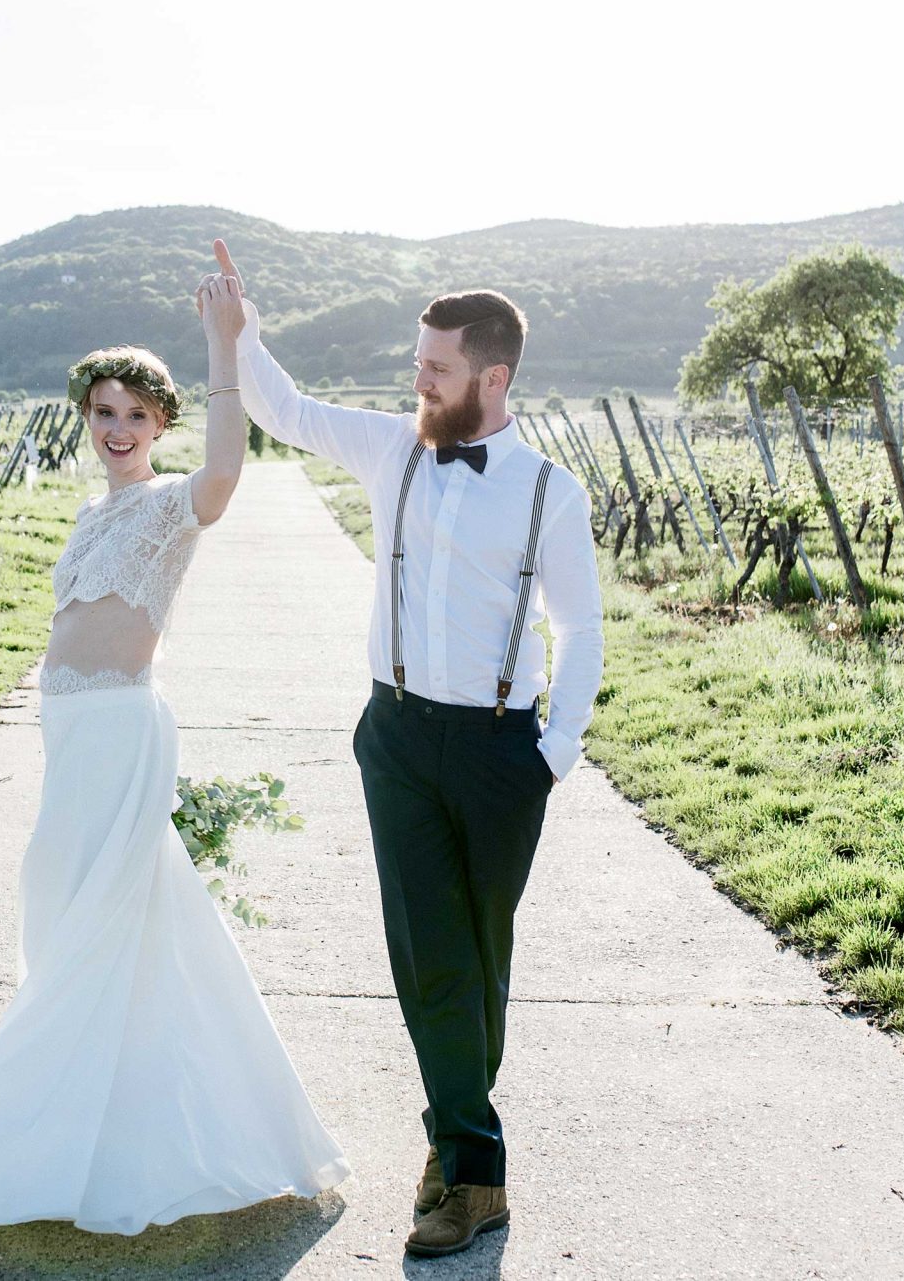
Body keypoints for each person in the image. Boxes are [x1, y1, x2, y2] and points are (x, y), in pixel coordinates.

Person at [0, 266, 348, 1236]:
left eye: (132, 412)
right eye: (101, 410)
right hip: (69, 734)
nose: (115, 426)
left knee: (96, 921)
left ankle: (25, 1136)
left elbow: (225, 473)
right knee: (70, 912)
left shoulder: (171, 502)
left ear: (159, 420)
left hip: (121, 728)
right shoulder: (90, 512)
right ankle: (110, 1115)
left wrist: (222, 345)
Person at [203, 238, 604, 1260]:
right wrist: (238, 332)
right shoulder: (393, 448)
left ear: (492, 376)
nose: (415, 378)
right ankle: (473, 1177)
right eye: (417, 361)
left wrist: (552, 751)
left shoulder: (550, 491)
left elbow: (579, 626)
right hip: (397, 734)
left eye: (435, 366)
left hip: (500, 747)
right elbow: (286, 411)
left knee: (479, 958)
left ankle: (455, 1142)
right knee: (431, 956)